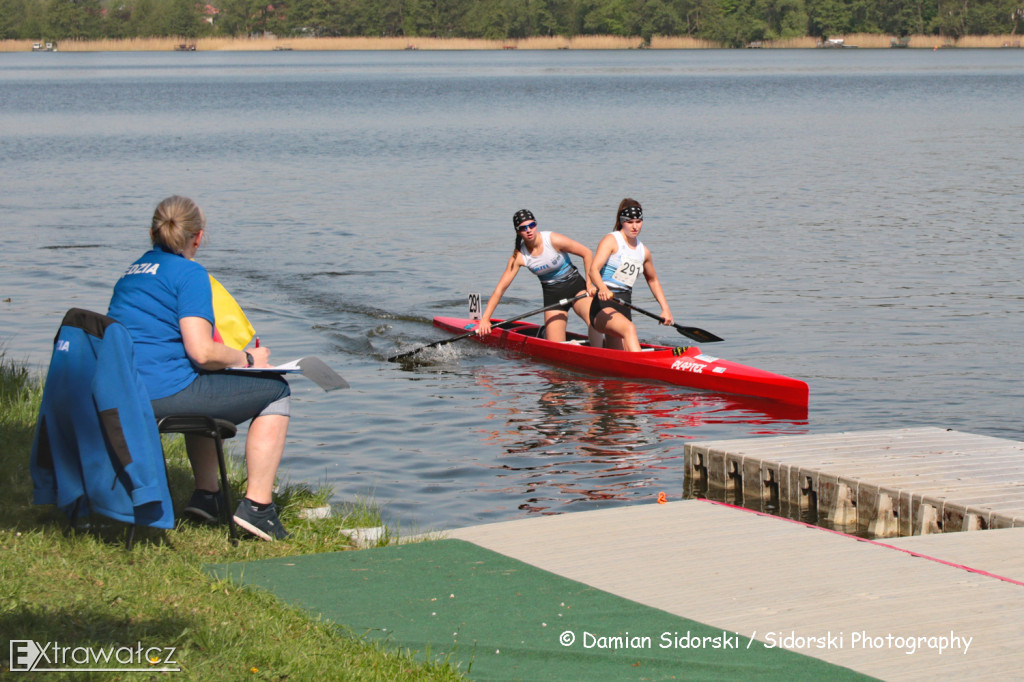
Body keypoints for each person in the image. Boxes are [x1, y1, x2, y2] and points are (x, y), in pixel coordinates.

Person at [107, 196, 291, 541]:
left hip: (123, 395)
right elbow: (202, 351)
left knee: (199, 381)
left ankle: (207, 496)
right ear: (199, 237)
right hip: (163, 396)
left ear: (151, 233)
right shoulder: (190, 273)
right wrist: (249, 360)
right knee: (277, 391)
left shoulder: (130, 273)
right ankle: (258, 509)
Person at [476, 209, 602, 346]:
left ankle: (600, 353)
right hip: (553, 296)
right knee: (556, 347)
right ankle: (544, 334)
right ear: (518, 232)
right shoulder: (519, 257)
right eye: (523, 228)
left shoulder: (553, 239)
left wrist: (590, 285)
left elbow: (587, 253)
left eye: (532, 225)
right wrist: (485, 319)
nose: (529, 230)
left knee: (595, 319)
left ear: (536, 224)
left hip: (576, 287)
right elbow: (500, 290)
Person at [588, 198, 673, 352]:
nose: (635, 226)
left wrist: (665, 309)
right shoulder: (611, 240)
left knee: (617, 356)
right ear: (622, 222)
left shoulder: (643, 251)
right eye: (630, 222)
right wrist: (602, 288)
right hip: (602, 307)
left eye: (638, 221)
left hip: (624, 307)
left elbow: (653, 280)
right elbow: (593, 270)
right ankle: (644, 370)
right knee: (629, 328)